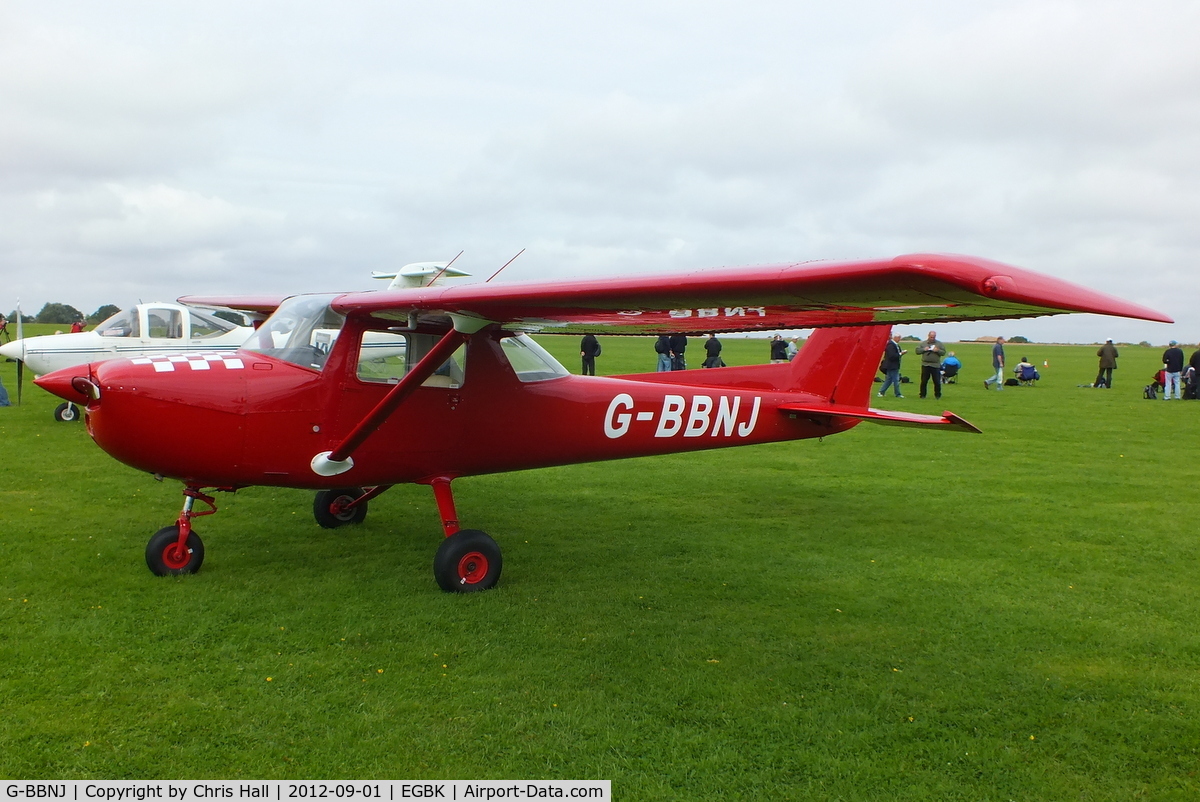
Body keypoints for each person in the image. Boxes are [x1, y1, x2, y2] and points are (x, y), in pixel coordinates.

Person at [916, 330, 946, 399]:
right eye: (931, 337)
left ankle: (937, 395)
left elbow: (943, 352)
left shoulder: (939, 344)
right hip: (925, 365)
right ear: (928, 336)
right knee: (924, 381)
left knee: (937, 381)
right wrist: (924, 349)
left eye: (934, 337)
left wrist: (937, 350)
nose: (932, 338)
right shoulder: (923, 343)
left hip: (935, 365)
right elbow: (917, 351)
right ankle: (922, 395)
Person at [878, 333, 906, 398]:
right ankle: (898, 394)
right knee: (896, 380)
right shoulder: (891, 345)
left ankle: (881, 392)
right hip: (891, 366)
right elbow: (891, 356)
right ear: (895, 338)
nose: (899, 339)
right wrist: (901, 353)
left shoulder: (895, 345)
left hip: (894, 365)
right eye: (899, 338)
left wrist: (900, 354)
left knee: (889, 380)